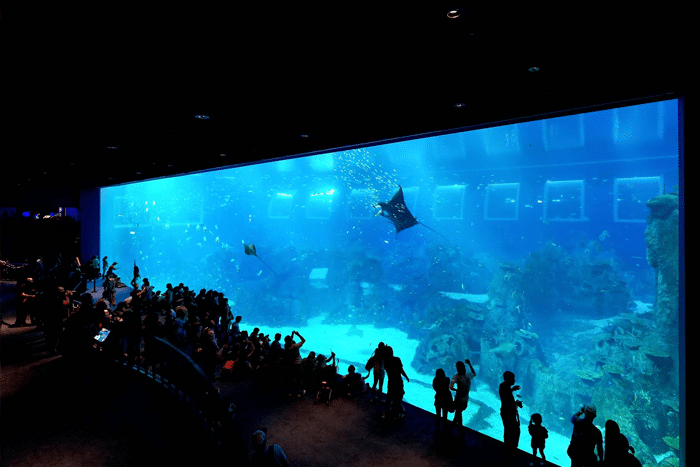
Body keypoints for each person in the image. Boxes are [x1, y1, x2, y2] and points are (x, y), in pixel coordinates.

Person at [499, 371, 523, 460]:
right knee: (513, 433)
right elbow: (508, 403)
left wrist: (512, 389)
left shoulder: (503, 386)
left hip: (506, 413)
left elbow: (506, 394)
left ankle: (507, 450)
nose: (514, 380)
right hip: (509, 414)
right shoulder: (505, 388)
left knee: (508, 431)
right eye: (513, 379)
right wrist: (516, 403)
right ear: (509, 379)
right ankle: (511, 453)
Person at [383, 346, 409, 419]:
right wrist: (406, 376)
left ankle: (386, 412)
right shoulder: (397, 359)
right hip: (398, 382)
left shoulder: (386, 362)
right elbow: (401, 370)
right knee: (398, 397)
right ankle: (396, 414)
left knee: (389, 397)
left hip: (391, 382)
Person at [449, 359, 476, 431]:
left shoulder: (456, 377)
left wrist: (457, 390)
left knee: (458, 414)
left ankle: (453, 429)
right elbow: (474, 373)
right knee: (458, 413)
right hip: (465, 399)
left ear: (457, 369)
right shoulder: (468, 375)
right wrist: (469, 364)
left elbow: (451, 387)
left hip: (458, 399)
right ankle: (459, 429)